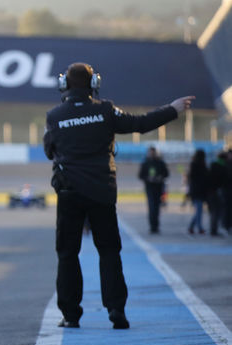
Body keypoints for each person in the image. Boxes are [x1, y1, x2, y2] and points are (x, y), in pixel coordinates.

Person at [43, 62, 193, 330]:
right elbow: (140, 124)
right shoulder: (105, 110)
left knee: (67, 254)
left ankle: (71, 315)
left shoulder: (54, 116)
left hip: (69, 193)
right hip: (102, 192)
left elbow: (49, 150)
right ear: (94, 84)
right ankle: (116, 311)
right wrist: (173, 109)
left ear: (64, 84)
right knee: (109, 252)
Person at [138, 146, 169, 234]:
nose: (152, 154)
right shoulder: (146, 163)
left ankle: (156, 226)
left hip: (159, 188)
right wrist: (148, 178)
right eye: (150, 152)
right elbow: (141, 175)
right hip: (149, 188)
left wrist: (160, 177)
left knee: (157, 207)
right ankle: (152, 226)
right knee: (151, 207)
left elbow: (166, 173)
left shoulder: (160, 163)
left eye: (153, 152)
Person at [186, 149, 209, 235]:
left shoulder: (195, 165)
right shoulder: (198, 165)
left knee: (199, 210)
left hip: (197, 191)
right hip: (198, 191)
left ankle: (192, 227)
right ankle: (199, 227)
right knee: (199, 210)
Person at [207, 150, 228, 236]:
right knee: (217, 211)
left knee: (213, 212)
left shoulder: (213, 165)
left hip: (211, 191)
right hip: (218, 191)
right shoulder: (224, 167)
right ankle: (214, 229)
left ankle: (213, 228)